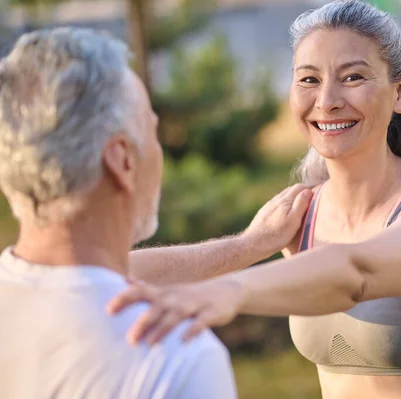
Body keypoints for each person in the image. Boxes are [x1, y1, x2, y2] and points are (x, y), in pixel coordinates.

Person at [108, 1, 401, 398]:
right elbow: (118, 277)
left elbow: (357, 274)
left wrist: (231, 290)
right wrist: (248, 246)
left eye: (353, 77)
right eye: (308, 79)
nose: (327, 101)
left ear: (400, 92)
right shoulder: (299, 219)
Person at [0, 27, 311, 399]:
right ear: (123, 160)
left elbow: (104, 275)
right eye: (152, 132)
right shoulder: (172, 357)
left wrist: (249, 246)